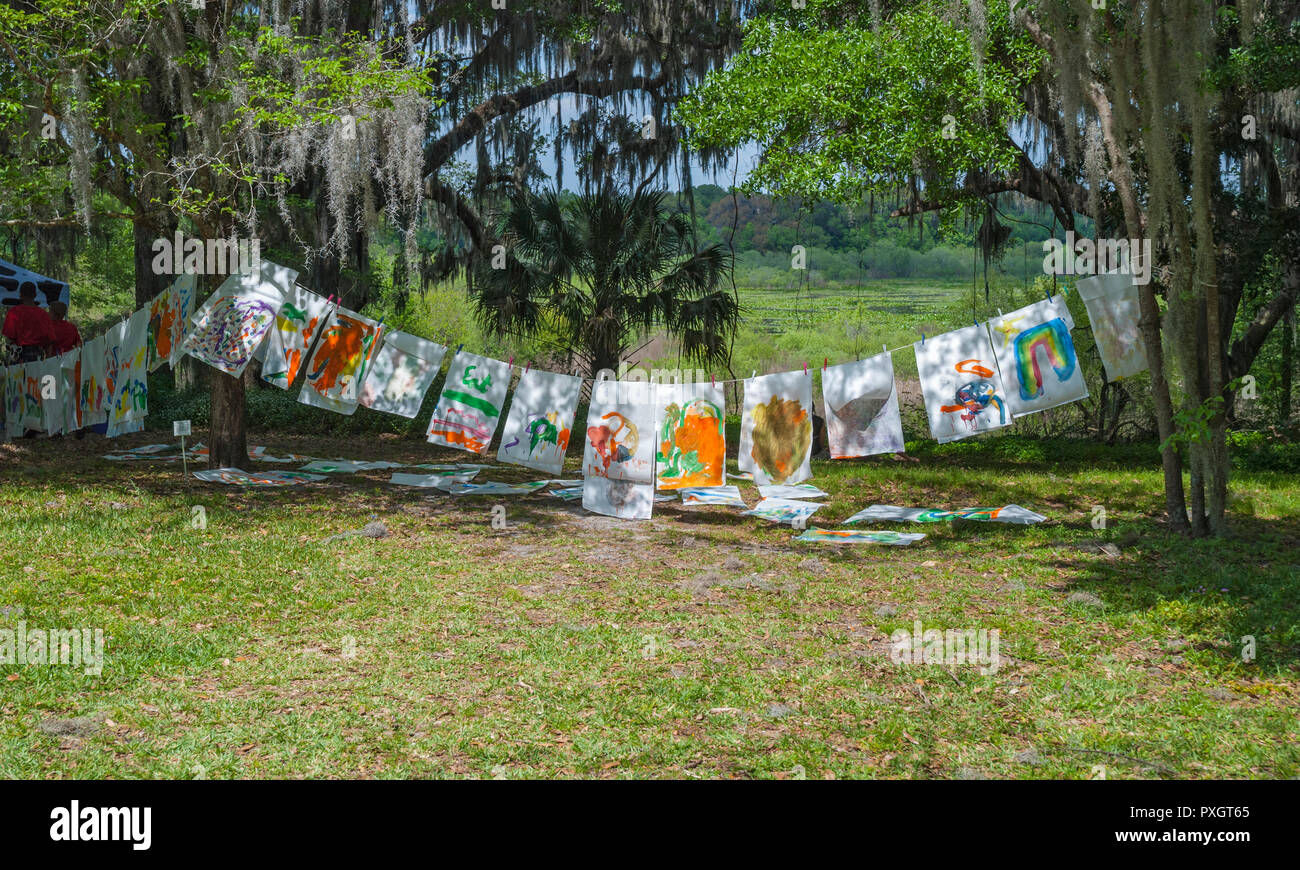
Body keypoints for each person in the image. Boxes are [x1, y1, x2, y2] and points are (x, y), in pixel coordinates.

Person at [2, 281, 54, 362]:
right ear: (35, 295)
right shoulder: (43, 314)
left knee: (18, 375)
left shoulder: (14, 312)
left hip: (18, 355)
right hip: (37, 356)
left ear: (20, 295)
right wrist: (48, 361)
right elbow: (49, 342)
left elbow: (9, 337)